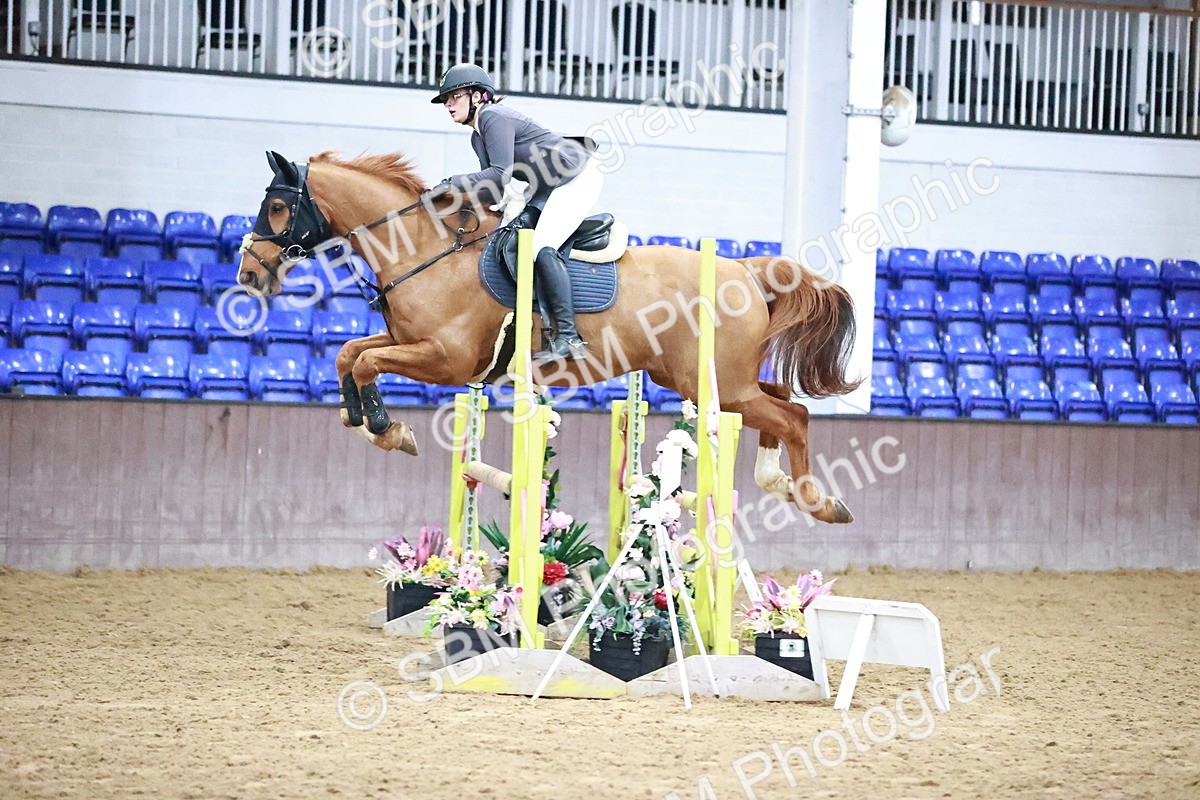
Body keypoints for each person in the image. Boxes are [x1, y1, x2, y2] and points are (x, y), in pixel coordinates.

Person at [431, 63, 603, 362]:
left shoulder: (493, 116)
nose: (448, 103)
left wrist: (452, 183)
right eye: (446, 98)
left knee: (540, 246)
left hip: (576, 175)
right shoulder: (477, 134)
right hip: (546, 184)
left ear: (478, 96)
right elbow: (495, 192)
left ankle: (569, 337)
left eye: (454, 96)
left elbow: (499, 176)